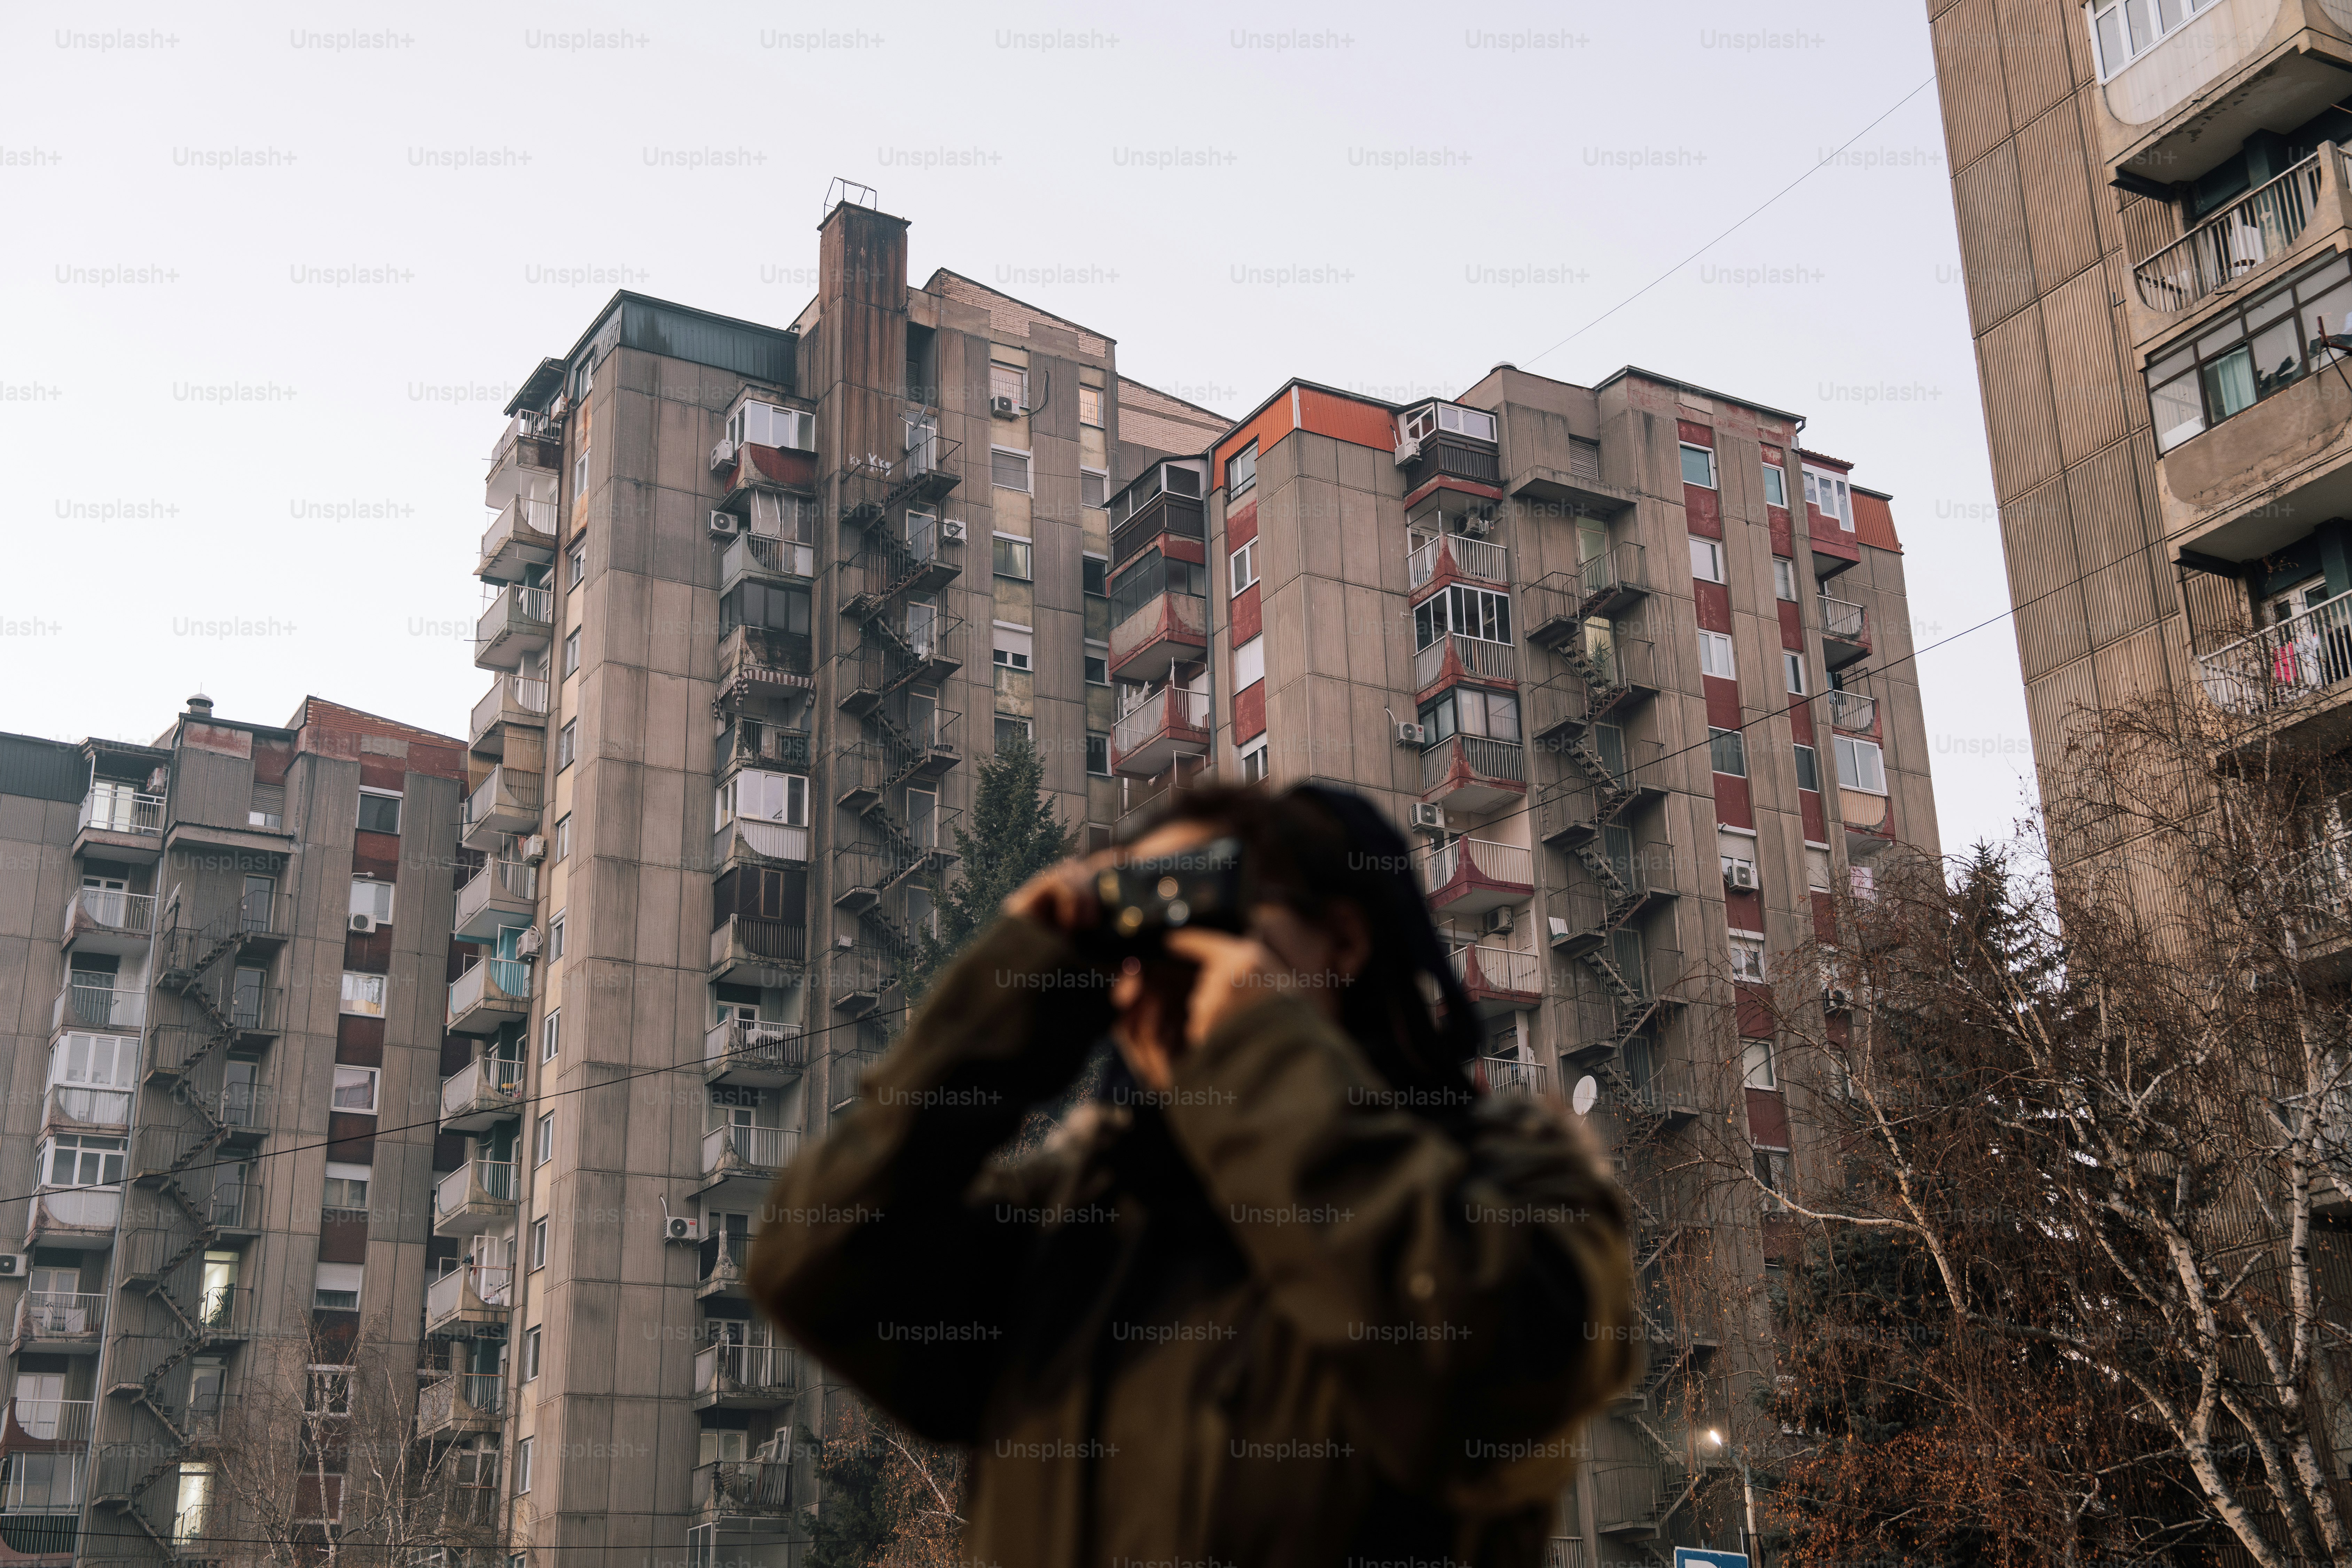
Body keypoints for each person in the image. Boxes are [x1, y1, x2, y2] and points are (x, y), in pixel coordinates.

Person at [748, 782, 1635, 1567]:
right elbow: (814, 1259)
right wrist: (1018, 990)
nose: (1169, 961)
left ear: (1342, 937)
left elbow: (1486, 1362)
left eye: (1212, 908)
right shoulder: (1075, 1224)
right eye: (1140, 927)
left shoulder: (1511, 1180)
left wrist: (1251, 1040)